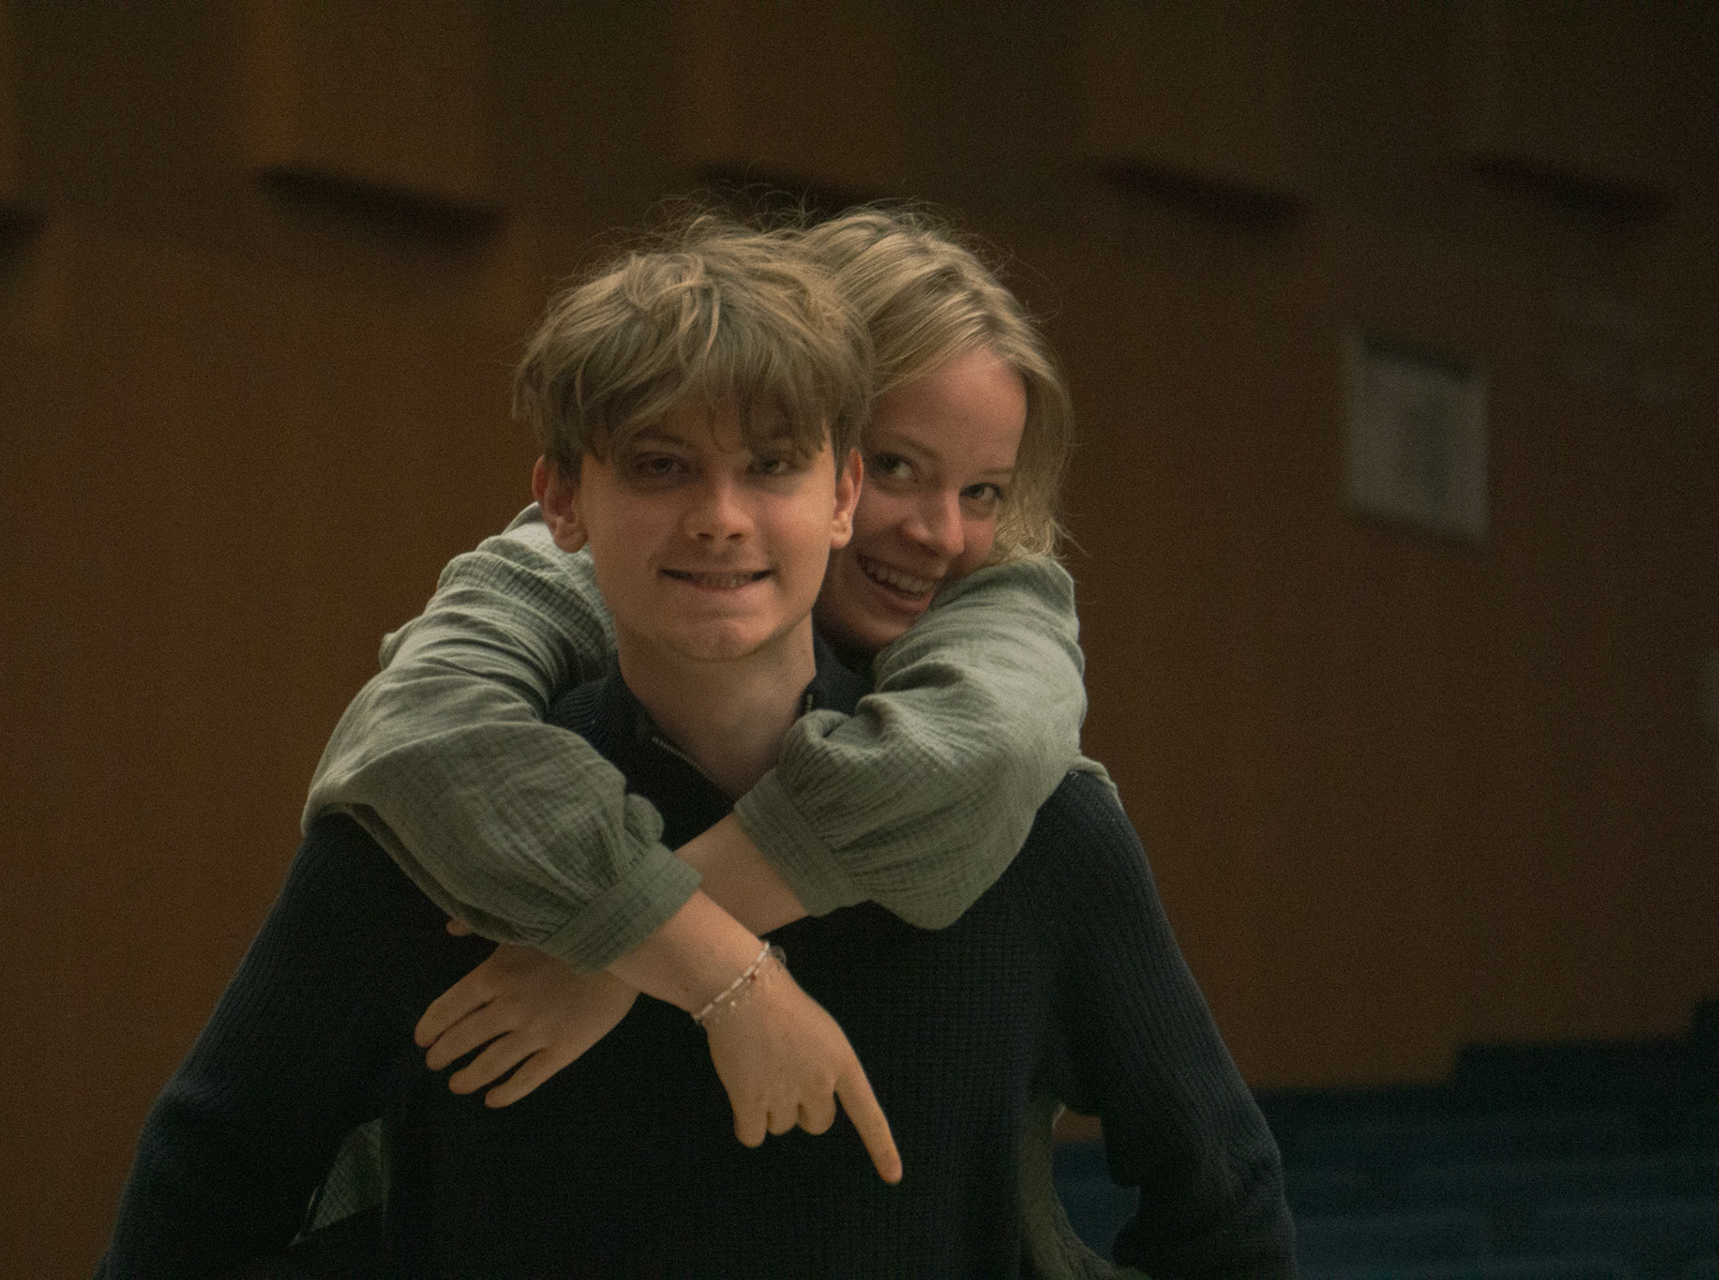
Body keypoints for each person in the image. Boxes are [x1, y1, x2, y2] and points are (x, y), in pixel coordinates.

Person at [354, 208, 1297, 1276]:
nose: (940, 532)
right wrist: (700, 958)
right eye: (896, 464)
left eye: (984, 492)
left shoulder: (1018, 692)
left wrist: (613, 949)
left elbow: (1228, 1205)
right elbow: (416, 724)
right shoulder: (586, 574)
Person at [100, 216, 904, 1277]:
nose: (720, 517)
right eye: (660, 465)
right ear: (561, 500)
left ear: (844, 494)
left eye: (771, 466)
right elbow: (206, 1178)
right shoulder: (435, 833)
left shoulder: (1033, 826)